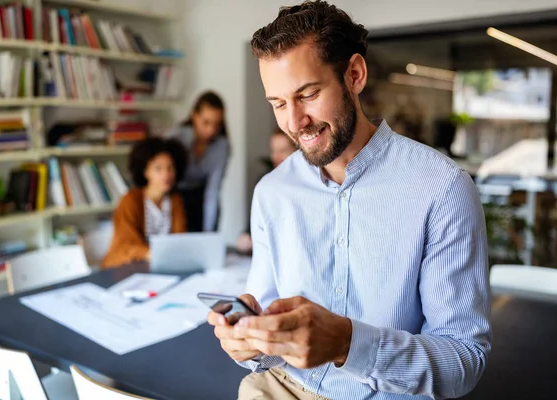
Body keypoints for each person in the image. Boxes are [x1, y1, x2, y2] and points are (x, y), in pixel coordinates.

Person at [207, 2, 491, 400]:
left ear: (354, 75)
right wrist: (249, 345)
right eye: (278, 104)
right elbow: (266, 316)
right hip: (281, 386)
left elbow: (464, 359)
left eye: (307, 94)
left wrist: (347, 343)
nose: (294, 122)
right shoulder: (272, 192)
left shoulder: (442, 189)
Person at [101, 137, 187, 268]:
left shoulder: (175, 200)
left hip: (164, 265)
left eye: (170, 168)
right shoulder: (130, 200)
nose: (166, 174)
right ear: (145, 171)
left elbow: (179, 239)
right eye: (158, 169)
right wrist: (152, 253)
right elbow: (127, 244)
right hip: (128, 265)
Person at [167, 91, 230, 232]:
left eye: (216, 124)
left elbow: (212, 192)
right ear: (194, 116)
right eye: (206, 123)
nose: (211, 130)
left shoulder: (221, 147)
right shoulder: (175, 139)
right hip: (174, 196)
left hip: (202, 198)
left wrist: (208, 234)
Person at [236, 128, 296, 254]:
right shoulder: (265, 182)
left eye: (282, 151)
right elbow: (253, 225)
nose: (275, 156)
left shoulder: (307, 183)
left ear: (297, 151)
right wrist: (247, 236)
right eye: (273, 150)